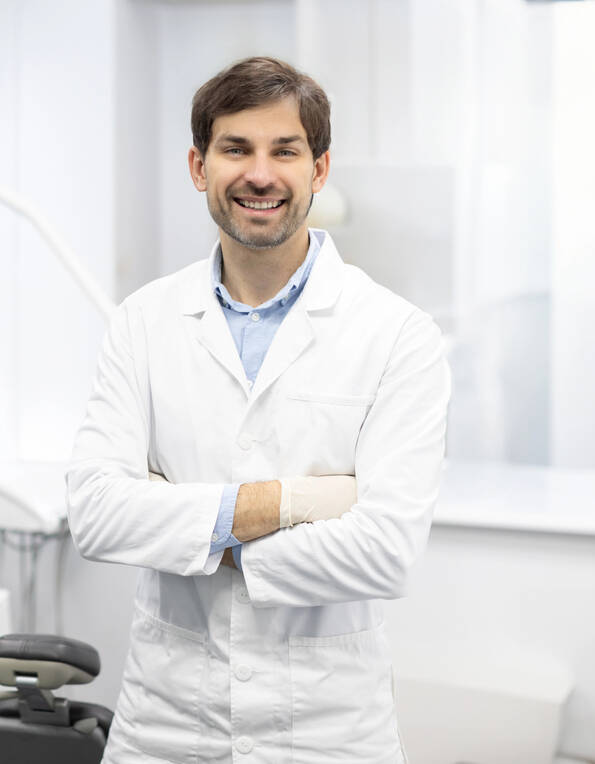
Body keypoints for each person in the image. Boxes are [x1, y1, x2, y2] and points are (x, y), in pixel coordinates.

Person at [66, 56, 451, 763]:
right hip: (166, 722)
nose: (260, 174)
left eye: (285, 150)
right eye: (236, 148)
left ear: (320, 168)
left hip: (328, 728)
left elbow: (388, 552)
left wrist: (183, 521)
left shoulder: (397, 334)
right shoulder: (142, 322)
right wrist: (299, 500)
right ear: (198, 166)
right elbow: (95, 514)